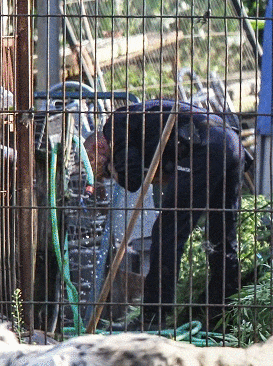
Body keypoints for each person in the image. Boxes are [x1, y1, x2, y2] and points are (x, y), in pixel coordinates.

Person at [85, 99, 247, 328]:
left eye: (95, 165)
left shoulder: (115, 127)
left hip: (205, 147)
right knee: (222, 237)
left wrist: (112, 169)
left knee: (166, 234)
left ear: (98, 148)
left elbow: (131, 180)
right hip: (231, 143)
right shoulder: (136, 119)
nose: (100, 175)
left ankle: (153, 317)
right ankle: (224, 313)